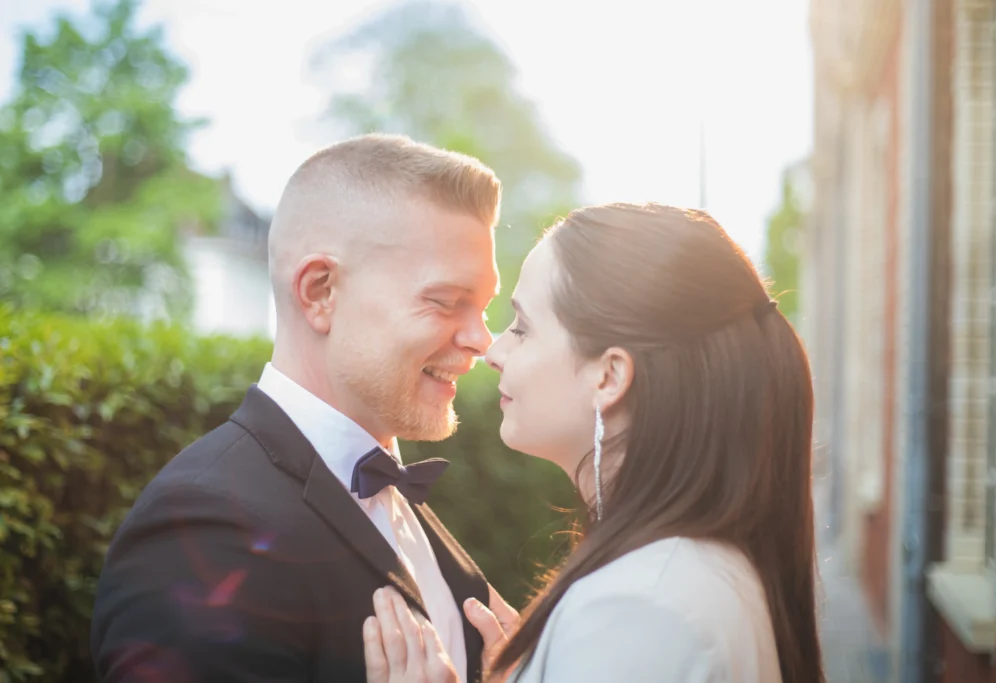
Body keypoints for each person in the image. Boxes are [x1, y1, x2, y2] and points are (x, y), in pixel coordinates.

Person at [91, 134, 513, 683]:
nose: (482, 339)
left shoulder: (393, 494)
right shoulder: (208, 530)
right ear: (319, 292)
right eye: (446, 302)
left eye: (482, 307)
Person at [363, 203, 824, 683]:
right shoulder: (681, 575)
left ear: (610, 375)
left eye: (521, 327)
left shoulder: (638, 610)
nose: (493, 351)